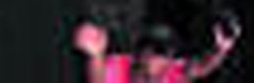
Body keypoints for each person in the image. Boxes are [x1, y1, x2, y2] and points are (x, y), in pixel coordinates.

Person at [73, 15, 241, 82]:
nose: (164, 61)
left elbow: (201, 67)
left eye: (169, 55)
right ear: (141, 53)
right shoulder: (115, 66)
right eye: (159, 53)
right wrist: (95, 56)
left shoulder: (171, 73)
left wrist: (220, 49)